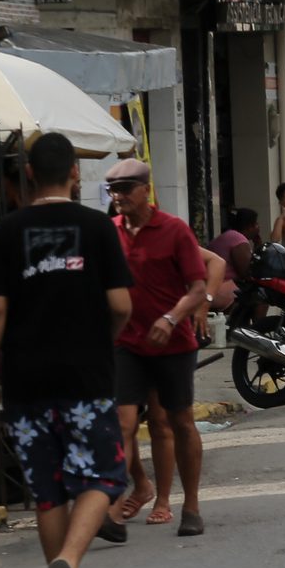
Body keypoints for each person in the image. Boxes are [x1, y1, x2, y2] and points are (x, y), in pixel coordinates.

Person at [0, 132, 133, 568]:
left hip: (24, 380)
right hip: (85, 376)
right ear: (75, 174)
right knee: (104, 475)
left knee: (49, 489)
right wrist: (101, 338)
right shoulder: (98, 227)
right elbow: (122, 306)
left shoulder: (5, 232)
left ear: (27, 174)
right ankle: (72, 559)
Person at [105, 158, 210, 540]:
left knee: (179, 422)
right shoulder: (109, 231)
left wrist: (171, 317)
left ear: (145, 190)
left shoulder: (175, 230)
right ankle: (113, 512)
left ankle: (192, 506)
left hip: (174, 344)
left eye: (124, 190)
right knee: (122, 423)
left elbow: (197, 288)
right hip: (126, 343)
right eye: (112, 190)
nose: (118, 197)